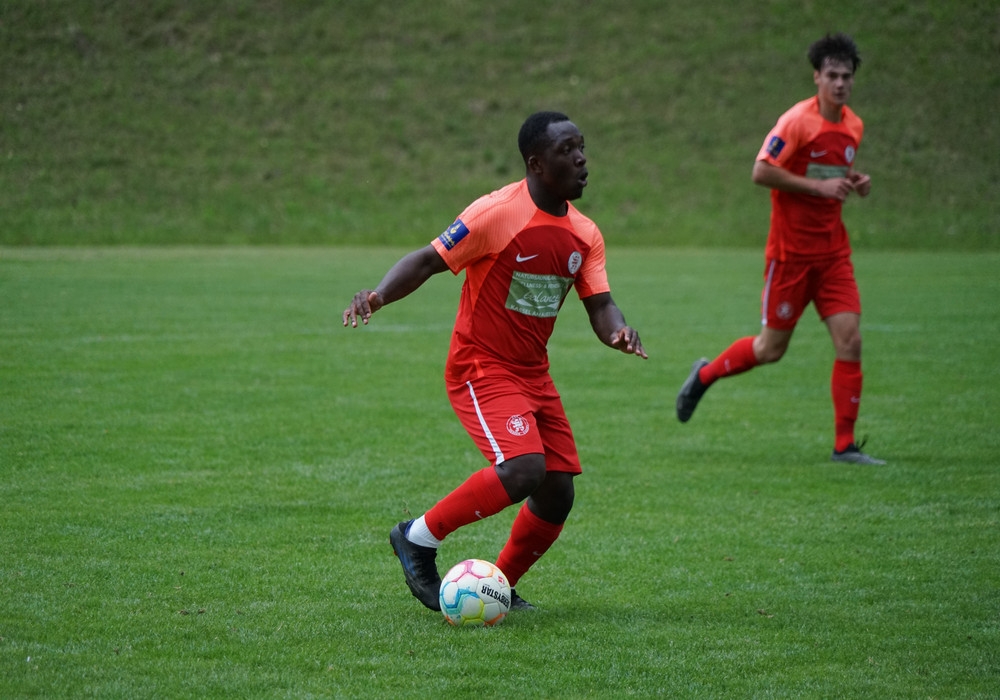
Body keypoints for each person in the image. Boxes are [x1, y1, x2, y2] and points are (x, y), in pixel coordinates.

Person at [343, 111, 648, 611]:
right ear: (536, 163)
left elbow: (600, 305)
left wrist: (618, 331)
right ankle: (416, 537)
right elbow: (428, 259)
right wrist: (377, 296)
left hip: (534, 373)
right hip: (480, 366)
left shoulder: (585, 233)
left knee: (557, 492)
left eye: (582, 147)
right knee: (524, 468)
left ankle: (496, 586)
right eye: (567, 151)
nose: (581, 159)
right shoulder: (496, 213)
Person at [676, 33, 885, 465]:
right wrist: (818, 187)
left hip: (833, 256)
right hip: (790, 257)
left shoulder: (854, 126)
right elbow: (761, 171)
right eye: (832, 75)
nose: (840, 83)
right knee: (770, 349)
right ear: (816, 77)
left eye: (847, 76)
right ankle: (705, 375)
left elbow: (828, 171)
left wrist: (853, 182)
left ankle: (844, 446)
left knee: (850, 341)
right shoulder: (795, 122)